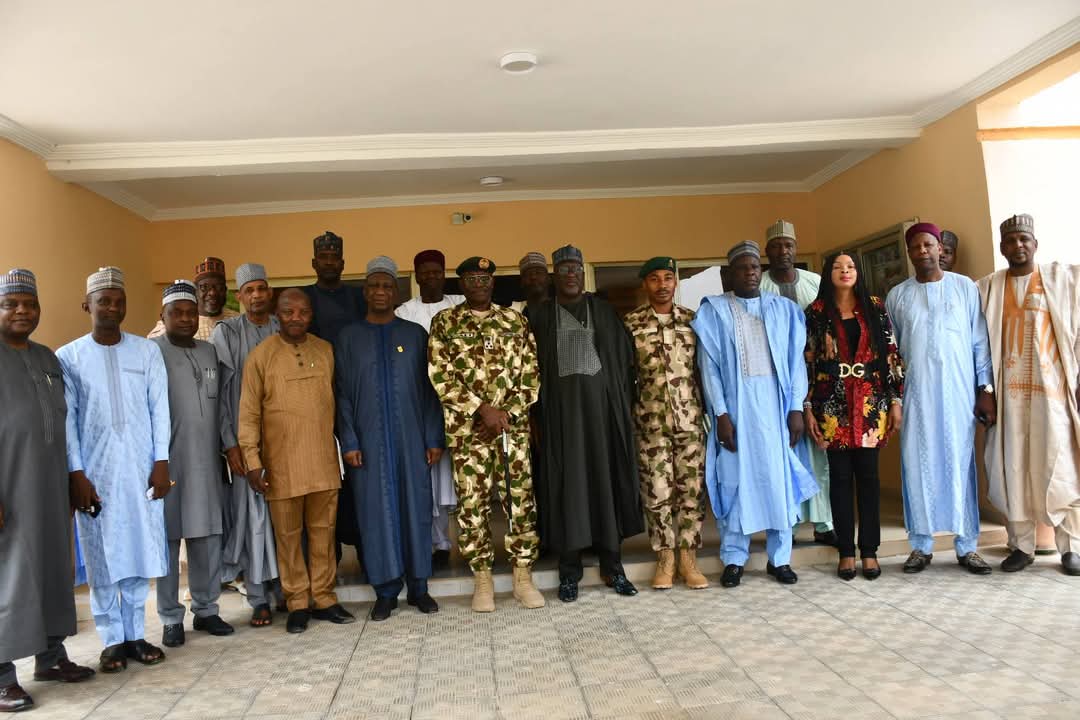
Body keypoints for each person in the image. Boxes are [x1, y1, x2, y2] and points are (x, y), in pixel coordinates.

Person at [57, 267, 171, 672]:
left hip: (141, 469)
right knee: (102, 554)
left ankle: (136, 635)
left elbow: (160, 408)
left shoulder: (146, 351)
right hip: (96, 472)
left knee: (139, 549)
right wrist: (77, 472)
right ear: (87, 306)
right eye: (103, 300)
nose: (112, 307)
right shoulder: (68, 357)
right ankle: (111, 641)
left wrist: (161, 462)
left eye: (118, 301)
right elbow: (68, 420)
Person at [693, 242, 818, 588]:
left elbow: (796, 363)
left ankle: (780, 559)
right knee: (736, 483)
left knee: (778, 483)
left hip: (776, 413)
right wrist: (721, 414)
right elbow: (709, 369)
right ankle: (734, 559)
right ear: (729, 274)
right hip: (736, 415)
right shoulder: (714, 311)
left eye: (754, 267)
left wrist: (796, 408)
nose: (750, 273)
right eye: (742, 268)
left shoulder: (784, 310)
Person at [428, 256, 546, 613]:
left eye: (484, 278)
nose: (478, 284)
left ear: (493, 283)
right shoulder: (445, 322)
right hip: (469, 434)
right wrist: (482, 411)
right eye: (471, 279)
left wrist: (504, 415)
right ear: (461, 285)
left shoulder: (515, 321)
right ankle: (482, 579)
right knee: (472, 506)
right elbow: (440, 375)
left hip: (511, 431)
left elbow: (531, 375)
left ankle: (523, 577)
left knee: (520, 502)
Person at [0, 269, 94, 713]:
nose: (22, 311)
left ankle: (51, 658)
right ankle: (2, 677)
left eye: (30, 304)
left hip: (50, 486)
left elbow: (63, 423)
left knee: (54, 570)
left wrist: (73, 478)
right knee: (10, 578)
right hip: (9, 490)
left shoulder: (46, 358)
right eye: (11, 304)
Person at [530, 245, 643, 602]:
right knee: (568, 489)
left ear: (583, 273)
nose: (571, 274)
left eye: (576, 268)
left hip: (602, 420)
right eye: (564, 269)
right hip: (560, 421)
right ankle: (569, 573)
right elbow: (529, 370)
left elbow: (625, 364)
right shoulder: (540, 316)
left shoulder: (604, 312)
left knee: (605, 486)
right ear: (554, 275)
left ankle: (614, 567)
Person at [238, 288, 354, 633]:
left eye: (303, 312)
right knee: (288, 538)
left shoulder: (326, 350)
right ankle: (297, 602)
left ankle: (325, 598)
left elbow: (338, 402)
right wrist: (252, 460)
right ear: (278, 314)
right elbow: (248, 413)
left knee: (323, 534)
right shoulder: (261, 356)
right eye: (289, 312)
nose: (296, 318)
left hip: (322, 461)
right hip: (281, 465)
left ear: (310, 315)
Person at [338, 257, 446, 621]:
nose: (381, 292)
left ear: (397, 293)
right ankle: (385, 591)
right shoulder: (349, 338)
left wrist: (433, 437)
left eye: (387, 286)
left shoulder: (414, 335)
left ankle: (419, 587)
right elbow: (341, 394)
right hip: (367, 443)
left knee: (416, 508)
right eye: (374, 286)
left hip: (411, 438)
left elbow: (430, 391)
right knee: (375, 513)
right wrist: (350, 441)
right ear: (365, 292)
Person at [886, 222, 995, 575]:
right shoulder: (897, 295)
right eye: (915, 247)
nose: (923, 251)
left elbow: (980, 343)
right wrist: (895, 399)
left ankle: (967, 545)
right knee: (916, 465)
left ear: (939, 248)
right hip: (916, 396)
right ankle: (921, 545)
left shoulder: (964, 288)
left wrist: (985, 390)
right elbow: (892, 353)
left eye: (928, 245)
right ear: (909, 252)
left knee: (960, 463)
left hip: (958, 394)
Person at [978, 214, 1080, 575]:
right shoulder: (989, 288)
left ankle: (1071, 547)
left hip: (1052, 395)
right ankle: (1021, 546)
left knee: (1060, 464)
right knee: (1013, 466)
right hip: (1009, 399)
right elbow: (978, 343)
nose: (1018, 245)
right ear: (1002, 247)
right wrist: (985, 391)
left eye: (1024, 239)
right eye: (1010, 241)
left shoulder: (1063, 281)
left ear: (1035, 244)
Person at [804, 253, 905, 581]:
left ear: (858, 273)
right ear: (828, 274)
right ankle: (846, 550)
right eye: (837, 267)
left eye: (850, 267)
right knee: (840, 480)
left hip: (870, 404)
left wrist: (895, 400)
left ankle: (870, 551)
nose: (845, 271)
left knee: (869, 479)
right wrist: (807, 407)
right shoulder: (816, 312)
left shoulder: (875, 307)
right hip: (831, 406)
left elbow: (891, 355)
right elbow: (807, 362)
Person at [152, 281, 235, 647]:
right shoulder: (151, 352)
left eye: (190, 312)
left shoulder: (209, 351)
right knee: (168, 541)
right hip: (166, 464)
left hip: (206, 462)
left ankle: (206, 609)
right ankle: (171, 617)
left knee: (207, 537)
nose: (185, 319)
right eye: (177, 313)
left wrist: (230, 446)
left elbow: (223, 408)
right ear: (163, 316)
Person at [624, 257, 708, 590]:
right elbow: (625, 375)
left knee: (691, 491)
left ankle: (688, 558)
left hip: (689, 420)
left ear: (676, 282)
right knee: (656, 492)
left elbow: (703, 370)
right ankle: (665, 558)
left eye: (668, 278)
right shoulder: (631, 324)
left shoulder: (692, 321)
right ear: (645, 284)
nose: (662, 285)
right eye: (655, 279)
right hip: (650, 421)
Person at [210, 263, 282, 628]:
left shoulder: (282, 327)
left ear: (270, 292)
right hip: (245, 440)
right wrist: (230, 444)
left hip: (283, 440)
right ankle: (258, 598)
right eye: (249, 290)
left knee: (283, 517)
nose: (256, 295)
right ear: (238, 296)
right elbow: (220, 395)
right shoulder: (226, 333)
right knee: (252, 518)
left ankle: (285, 590)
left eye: (262, 288)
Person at [760, 220, 835, 546]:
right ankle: (787, 523)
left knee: (819, 453)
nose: (783, 251)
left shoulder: (816, 282)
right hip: (774, 382)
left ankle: (824, 523)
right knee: (784, 452)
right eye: (776, 246)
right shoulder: (759, 285)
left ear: (796, 247)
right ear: (767, 251)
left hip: (817, 380)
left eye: (788, 245)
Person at [301, 231, 366, 568]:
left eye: (334, 258)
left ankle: (366, 551)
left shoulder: (358, 297)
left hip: (354, 397)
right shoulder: (305, 298)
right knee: (326, 479)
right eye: (323, 258)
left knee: (359, 477)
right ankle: (331, 556)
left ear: (342, 262)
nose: (329, 263)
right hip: (315, 400)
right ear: (314, 263)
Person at [394, 249, 463, 569]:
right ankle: (436, 543)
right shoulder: (404, 312)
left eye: (437, 271)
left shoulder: (460, 304)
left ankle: (469, 543)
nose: (432, 277)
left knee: (457, 477)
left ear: (444, 273)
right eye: (426, 272)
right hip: (420, 403)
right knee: (429, 477)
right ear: (417, 275)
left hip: (458, 405)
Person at [148, 257, 240, 340]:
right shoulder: (172, 326)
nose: (212, 293)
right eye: (204, 287)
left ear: (225, 290)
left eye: (219, 287)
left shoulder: (238, 321)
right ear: (195, 291)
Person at [511, 252, 551, 316]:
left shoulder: (561, 310)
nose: (533, 277)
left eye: (538, 272)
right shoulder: (511, 313)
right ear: (521, 282)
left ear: (549, 279)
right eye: (528, 274)